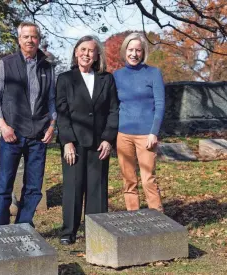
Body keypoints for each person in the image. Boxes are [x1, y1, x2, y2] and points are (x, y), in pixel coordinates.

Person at [0, 22, 56, 226]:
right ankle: (0, 229)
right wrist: (4, 127)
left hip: (39, 136)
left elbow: (52, 100)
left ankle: (23, 225)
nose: (30, 40)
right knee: (4, 185)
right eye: (25, 37)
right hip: (12, 135)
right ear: (19, 40)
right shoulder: (6, 64)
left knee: (34, 187)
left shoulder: (47, 67)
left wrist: (52, 126)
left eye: (33, 37)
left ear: (39, 40)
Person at [56, 35, 119, 245]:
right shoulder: (65, 79)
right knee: (73, 187)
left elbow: (113, 110)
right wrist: (67, 142)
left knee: (97, 188)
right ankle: (69, 232)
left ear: (96, 55)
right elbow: (62, 113)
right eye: (82, 49)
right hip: (73, 143)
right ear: (76, 52)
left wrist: (108, 139)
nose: (86, 54)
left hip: (100, 143)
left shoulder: (106, 79)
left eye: (90, 50)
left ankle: (97, 231)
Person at [113, 32, 165, 212]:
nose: (134, 54)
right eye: (130, 49)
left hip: (146, 135)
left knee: (148, 179)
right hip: (123, 135)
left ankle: (158, 221)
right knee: (129, 180)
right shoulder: (117, 76)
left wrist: (154, 132)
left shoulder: (153, 73)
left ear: (143, 53)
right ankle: (134, 218)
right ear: (124, 50)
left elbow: (160, 104)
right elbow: (114, 105)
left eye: (138, 50)